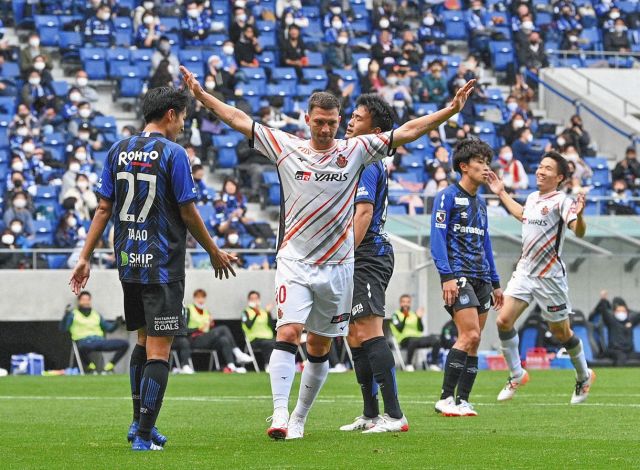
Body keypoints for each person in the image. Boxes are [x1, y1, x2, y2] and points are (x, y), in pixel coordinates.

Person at [180, 65, 474, 440]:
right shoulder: (286, 147)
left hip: (338, 267)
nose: (326, 129)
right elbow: (239, 118)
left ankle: (301, 417)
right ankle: (280, 415)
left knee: (320, 345)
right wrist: (203, 97)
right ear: (306, 119)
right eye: (319, 122)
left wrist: (449, 111)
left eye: (332, 123)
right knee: (287, 331)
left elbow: (408, 131)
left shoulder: (356, 151)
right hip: (295, 261)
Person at [68, 86, 237, 451]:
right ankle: (144, 436)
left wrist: (84, 256)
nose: (182, 127)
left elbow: (102, 209)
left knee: (143, 343)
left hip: (128, 263)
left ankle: (138, 423)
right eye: (183, 119)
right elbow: (188, 211)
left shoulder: (117, 150)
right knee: (160, 351)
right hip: (162, 267)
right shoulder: (174, 154)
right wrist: (214, 250)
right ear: (171, 115)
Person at [486, 151, 595, 405]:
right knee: (503, 320)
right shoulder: (534, 197)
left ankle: (584, 375)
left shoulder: (562, 201)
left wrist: (581, 216)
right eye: (540, 166)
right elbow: (523, 214)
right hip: (525, 271)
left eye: (547, 168)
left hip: (550, 278)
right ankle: (516, 373)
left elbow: (578, 231)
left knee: (561, 332)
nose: (540, 171)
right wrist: (501, 192)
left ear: (559, 177)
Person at [339, 94, 408, 434]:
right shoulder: (355, 159)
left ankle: (395, 416)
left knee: (368, 329)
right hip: (359, 254)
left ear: (375, 130)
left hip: (367, 254)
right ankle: (370, 413)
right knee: (353, 334)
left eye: (358, 117)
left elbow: (363, 212)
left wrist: (344, 254)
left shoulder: (367, 161)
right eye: (350, 116)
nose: (349, 121)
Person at [430, 138, 504, 417]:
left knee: (475, 340)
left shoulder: (481, 204)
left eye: (488, 162)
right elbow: (436, 238)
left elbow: (486, 244)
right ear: (464, 166)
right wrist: (446, 276)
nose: (486, 168)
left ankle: (463, 400)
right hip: (458, 275)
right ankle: (445, 398)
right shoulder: (447, 196)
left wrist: (496, 283)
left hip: (482, 278)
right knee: (469, 333)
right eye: (480, 163)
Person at [173, 289, 253, 373]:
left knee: (224, 340)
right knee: (223, 328)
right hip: (194, 339)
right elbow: (184, 329)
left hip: (206, 339)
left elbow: (208, 330)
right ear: (194, 298)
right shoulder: (189, 310)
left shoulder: (206, 312)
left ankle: (231, 366)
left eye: (203, 297)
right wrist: (198, 329)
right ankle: (237, 352)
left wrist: (210, 325)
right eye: (198, 297)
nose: (201, 300)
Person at [60, 291, 129, 374]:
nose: (86, 302)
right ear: (79, 301)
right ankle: (91, 367)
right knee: (81, 347)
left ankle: (109, 367)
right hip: (83, 342)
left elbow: (109, 328)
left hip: (100, 341)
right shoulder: (72, 314)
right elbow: (63, 329)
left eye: (88, 299)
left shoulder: (96, 314)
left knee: (124, 344)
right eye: (83, 299)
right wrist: (66, 316)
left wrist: (117, 323)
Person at [390, 295, 441, 371]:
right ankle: (409, 364)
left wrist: (419, 318)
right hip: (403, 340)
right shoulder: (395, 315)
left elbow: (421, 329)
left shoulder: (414, 314)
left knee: (436, 339)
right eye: (403, 302)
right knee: (413, 340)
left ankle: (433, 364)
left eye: (408, 302)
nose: (406, 304)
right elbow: (399, 328)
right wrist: (405, 316)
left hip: (417, 338)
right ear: (400, 303)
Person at [590, 291, 640, 366]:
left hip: (628, 352)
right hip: (614, 351)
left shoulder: (630, 322)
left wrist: (631, 323)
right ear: (614, 312)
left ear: (627, 312)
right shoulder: (612, 321)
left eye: (623, 311)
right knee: (621, 357)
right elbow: (604, 311)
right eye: (618, 311)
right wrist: (603, 299)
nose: (621, 313)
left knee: (630, 355)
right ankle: (620, 375)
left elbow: (638, 316)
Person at [241, 290, 276, 369]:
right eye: (252, 299)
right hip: (254, 339)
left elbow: (272, 326)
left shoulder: (264, 311)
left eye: (256, 298)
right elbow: (248, 325)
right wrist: (256, 315)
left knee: (282, 342)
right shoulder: (245, 312)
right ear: (249, 300)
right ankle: (268, 365)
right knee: (268, 343)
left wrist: (269, 313)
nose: (254, 300)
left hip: (268, 337)